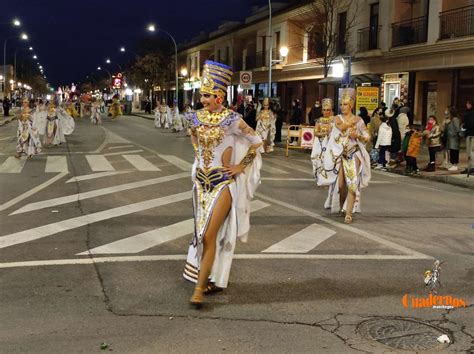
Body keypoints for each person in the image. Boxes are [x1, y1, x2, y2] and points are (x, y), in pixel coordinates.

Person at [182, 60, 263, 308]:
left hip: (222, 184)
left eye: (207, 95)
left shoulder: (233, 120)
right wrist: (199, 164)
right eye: (202, 95)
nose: (203, 99)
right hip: (200, 185)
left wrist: (240, 166)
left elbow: (257, 141)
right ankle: (207, 278)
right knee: (202, 234)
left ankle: (198, 289)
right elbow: (195, 143)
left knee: (208, 234)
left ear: (219, 95)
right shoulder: (195, 118)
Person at [317, 92, 371, 224]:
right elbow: (341, 128)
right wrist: (351, 123)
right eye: (341, 104)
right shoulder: (337, 118)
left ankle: (349, 213)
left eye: (345, 104)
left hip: (353, 153)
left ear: (351, 105)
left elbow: (367, 136)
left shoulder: (359, 120)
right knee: (341, 186)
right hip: (340, 154)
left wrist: (357, 135)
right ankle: (342, 206)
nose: (343, 106)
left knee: (352, 183)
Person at [311, 98, 334, 180]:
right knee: (319, 160)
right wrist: (325, 134)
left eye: (328, 110)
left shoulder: (335, 121)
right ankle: (320, 177)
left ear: (331, 110)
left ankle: (329, 178)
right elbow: (316, 132)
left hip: (331, 145)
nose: (326, 112)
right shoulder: (319, 121)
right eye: (324, 110)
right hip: (320, 145)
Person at [444, 107, 461, 172]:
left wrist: (454, 134)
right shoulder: (451, 119)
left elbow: (457, 129)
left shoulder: (455, 119)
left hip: (454, 138)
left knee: (454, 151)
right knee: (452, 151)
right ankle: (453, 164)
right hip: (451, 138)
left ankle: (455, 165)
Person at [461, 99, 474, 174]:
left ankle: (472, 167)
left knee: (470, 151)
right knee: (470, 152)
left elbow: (470, 124)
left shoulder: (470, 113)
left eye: (468, 104)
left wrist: (464, 126)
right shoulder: (469, 113)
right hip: (470, 134)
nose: (467, 105)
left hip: (471, 134)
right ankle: (469, 167)